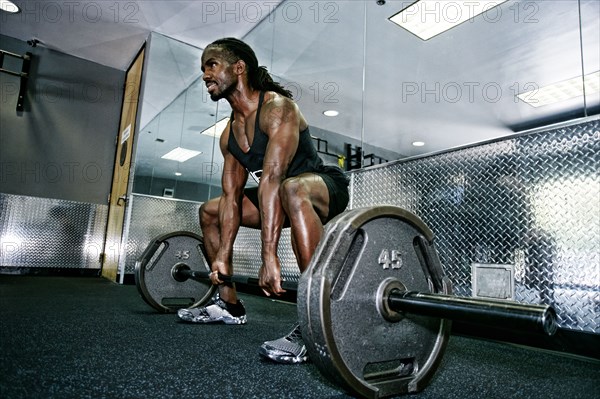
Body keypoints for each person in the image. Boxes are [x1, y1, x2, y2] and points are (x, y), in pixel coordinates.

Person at [176, 38, 350, 364]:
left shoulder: (277, 109)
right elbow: (231, 196)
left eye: (211, 65)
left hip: (321, 186)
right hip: (279, 195)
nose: (204, 75)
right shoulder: (229, 134)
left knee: (292, 188)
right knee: (210, 211)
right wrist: (222, 258)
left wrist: (268, 256)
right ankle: (229, 304)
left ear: (238, 67)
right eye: (202, 69)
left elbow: (273, 178)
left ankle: (320, 320)